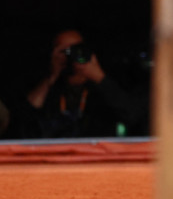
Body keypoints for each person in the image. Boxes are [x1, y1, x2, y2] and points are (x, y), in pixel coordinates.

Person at [8, 28, 146, 139]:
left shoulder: (106, 86)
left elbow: (133, 115)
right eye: (64, 50)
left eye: (76, 49)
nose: (70, 55)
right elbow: (21, 122)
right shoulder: (49, 87)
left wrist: (99, 77)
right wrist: (51, 76)